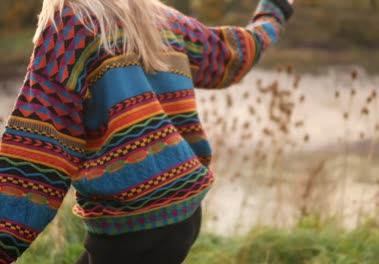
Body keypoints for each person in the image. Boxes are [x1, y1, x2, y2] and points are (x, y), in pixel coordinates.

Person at [0, 0, 294, 263]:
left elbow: (37, 156)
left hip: (131, 224)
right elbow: (230, 55)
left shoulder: (71, 25)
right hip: (183, 214)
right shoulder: (159, 16)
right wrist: (274, 10)